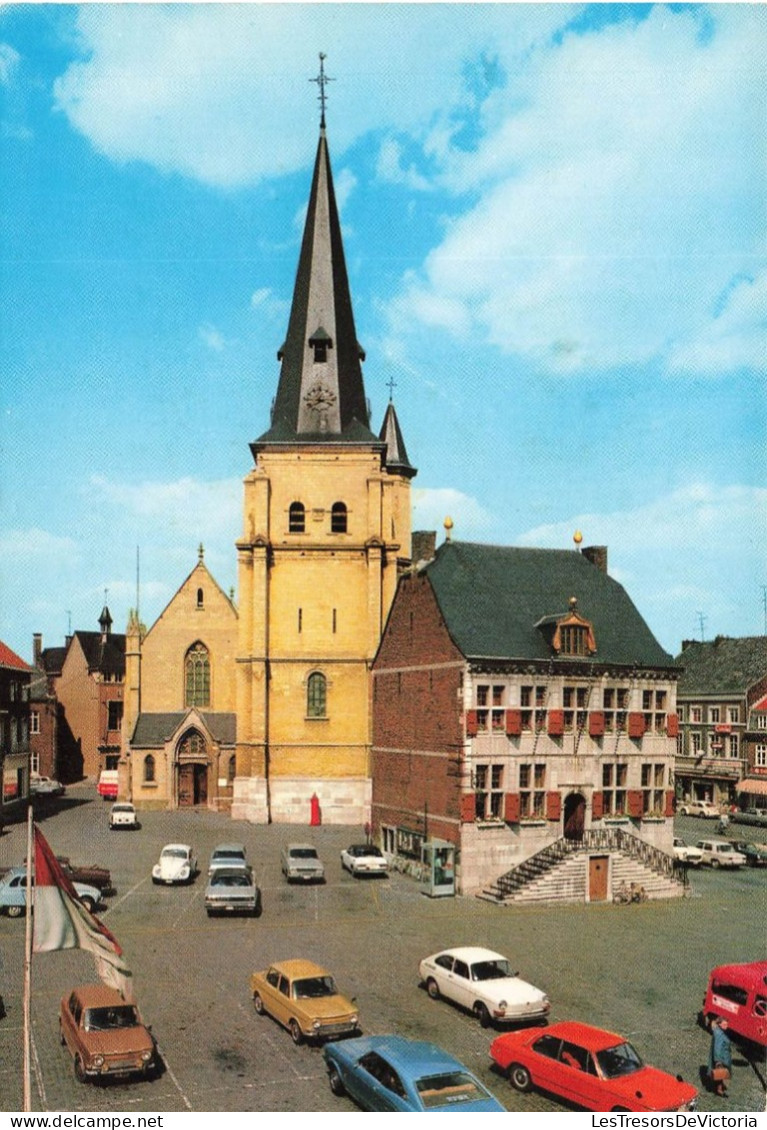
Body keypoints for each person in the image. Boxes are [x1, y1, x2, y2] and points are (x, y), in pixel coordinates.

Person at [708, 1017, 733, 1097]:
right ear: (719, 1024)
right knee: (720, 1073)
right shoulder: (719, 1034)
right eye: (724, 1024)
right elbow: (717, 1048)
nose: (727, 1026)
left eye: (727, 1024)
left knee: (720, 1074)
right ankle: (719, 1090)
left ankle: (719, 1088)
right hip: (721, 1058)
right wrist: (718, 1061)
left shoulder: (720, 1032)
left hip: (723, 1057)